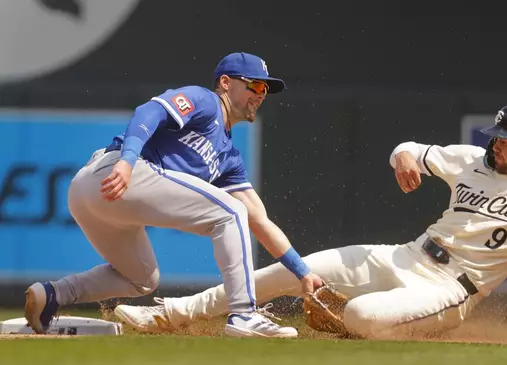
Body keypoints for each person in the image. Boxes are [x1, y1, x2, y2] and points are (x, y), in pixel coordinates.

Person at [113, 103, 507, 345]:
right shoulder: (472, 159)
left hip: (451, 290)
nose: (496, 142)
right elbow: (406, 148)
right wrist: (401, 157)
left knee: (360, 316)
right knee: (300, 269)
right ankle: (171, 313)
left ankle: (345, 318)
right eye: (497, 135)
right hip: (403, 255)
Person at [24, 52, 323, 338]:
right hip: (116, 171)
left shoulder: (229, 158)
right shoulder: (206, 102)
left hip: (92, 196)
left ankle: (52, 294)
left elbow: (258, 220)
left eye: (266, 89)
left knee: (142, 278)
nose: (261, 93)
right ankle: (243, 313)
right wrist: (128, 160)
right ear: (226, 83)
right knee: (230, 212)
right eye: (255, 84)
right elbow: (148, 111)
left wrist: (302, 272)